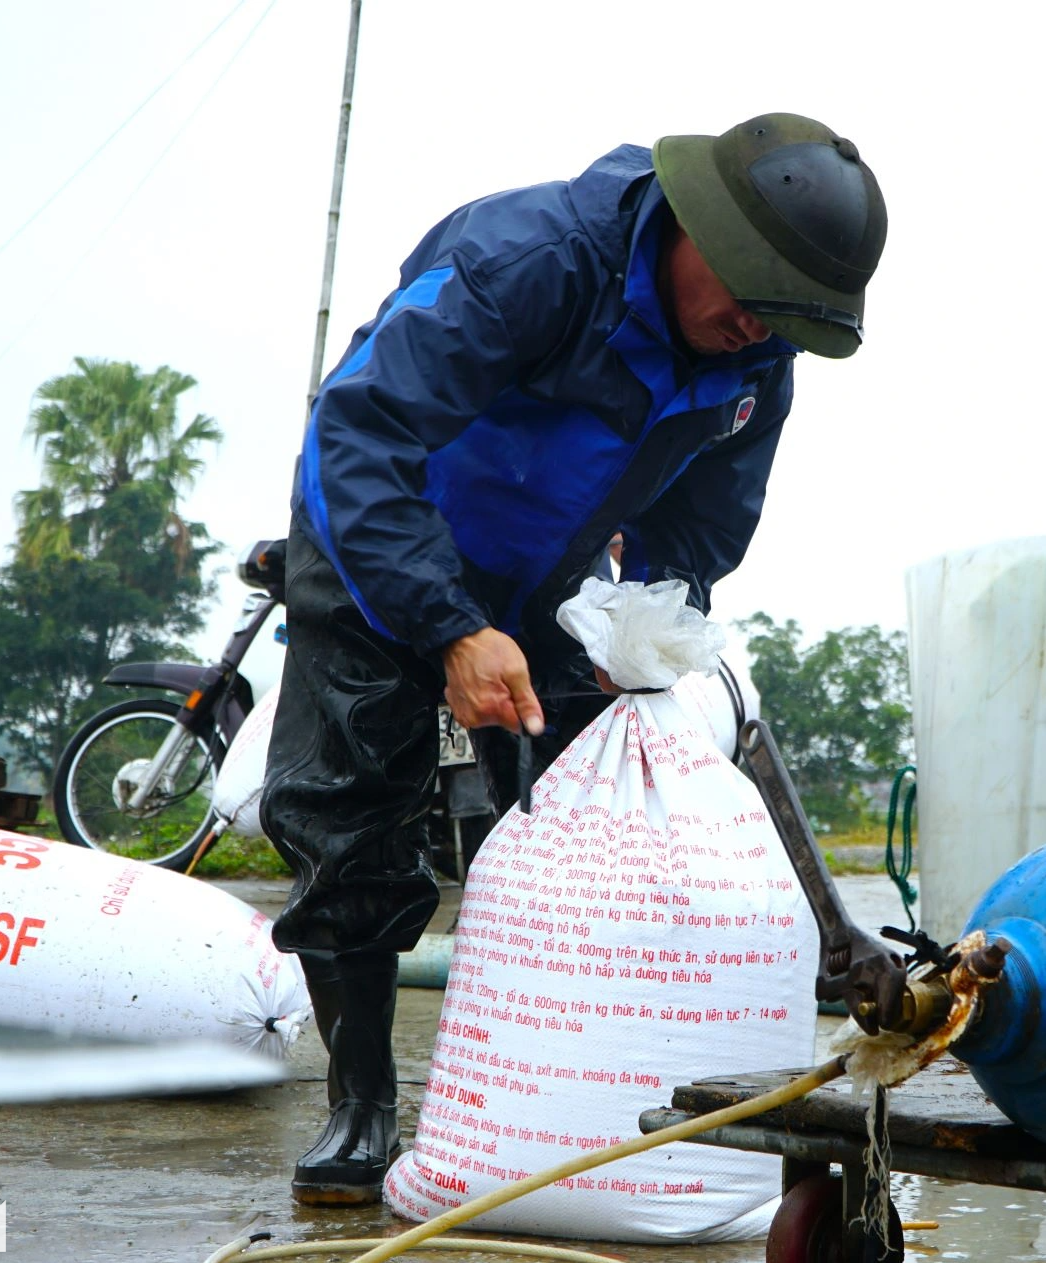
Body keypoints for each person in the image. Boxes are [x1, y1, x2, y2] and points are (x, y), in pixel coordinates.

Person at [260, 112, 888, 1205]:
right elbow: (359, 432)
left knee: (572, 820)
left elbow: (699, 528)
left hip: (553, 579)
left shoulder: (759, 361)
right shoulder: (531, 263)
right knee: (349, 811)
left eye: (779, 318)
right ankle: (361, 1095)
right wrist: (449, 625)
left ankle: (543, 1084)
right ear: (689, 226)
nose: (752, 328)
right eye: (744, 296)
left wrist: (635, 623)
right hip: (378, 537)